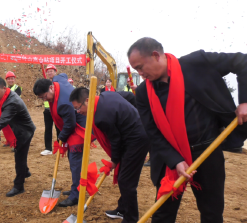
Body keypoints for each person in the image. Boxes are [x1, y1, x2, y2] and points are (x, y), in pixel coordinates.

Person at [128, 37, 247, 223]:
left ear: (155, 55)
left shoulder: (196, 63)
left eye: (140, 67)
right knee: (162, 214)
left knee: (212, 213)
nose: (140, 73)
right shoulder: (143, 94)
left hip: (207, 153)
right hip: (170, 159)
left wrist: (245, 101)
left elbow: (242, 61)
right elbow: (153, 132)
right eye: (136, 69)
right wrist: (175, 160)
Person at [70, 87, 150, 222]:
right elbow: (130, 96)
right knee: (124, 177)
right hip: (131, 135)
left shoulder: (102, 117)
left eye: (78, 108)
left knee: (126, 180)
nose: (78, 112)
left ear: (87, 101)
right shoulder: (106, 95)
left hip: (137, 140)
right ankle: (123, 209)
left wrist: (114, 161)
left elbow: (116, 140)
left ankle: (131, 218)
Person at [33, 73, 87, 207]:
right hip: (73, 122)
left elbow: (70, 124)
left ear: (51, 88)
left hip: (80, 127)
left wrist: (60, 139)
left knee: (75, 160)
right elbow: (62, 75)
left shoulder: (63, 103)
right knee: (73, 159)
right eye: (42, 98)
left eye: (45, 96)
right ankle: (77, 187)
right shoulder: (57, 80)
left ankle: (76, 195)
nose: (45, 100)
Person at [0, 77, 35, 197]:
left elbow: (3, 121)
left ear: (4, 88)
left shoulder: (12, 102)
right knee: (20, 153)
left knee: (19, 157)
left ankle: (19, 186)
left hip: (24, 131)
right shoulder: (3, 97)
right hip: (17, 128)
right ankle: (25, 172)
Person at [40, 64, 60, 156]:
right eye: (48, 71)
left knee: (59, 128)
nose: (49, 72)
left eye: (51, 70)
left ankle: (61, 146)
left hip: (57, 109)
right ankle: (48, 148)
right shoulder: (45, 83)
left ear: (55, 72)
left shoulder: (58, 83)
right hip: (48, 110)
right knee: (48, 129)